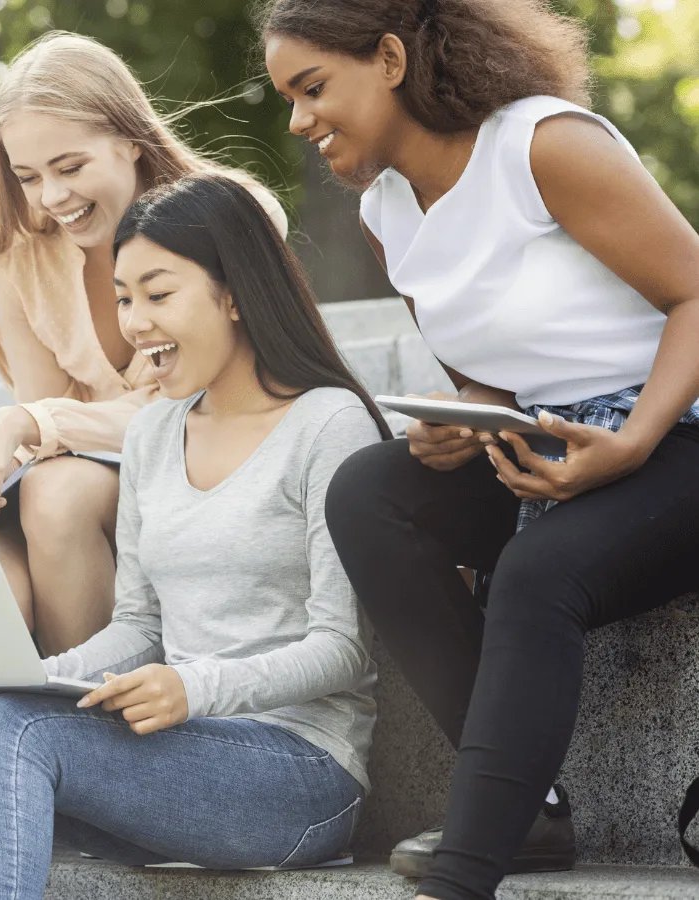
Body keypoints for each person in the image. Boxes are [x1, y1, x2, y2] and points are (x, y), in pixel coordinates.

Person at [261, 2, 699, 898]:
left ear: (389, 59)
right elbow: (489, 374)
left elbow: (696, 296)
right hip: (551, 446)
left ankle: (465, 875)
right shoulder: (388, 210)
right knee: (367, 491)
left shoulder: (542, 146)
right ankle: (529, 803)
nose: (299, 121)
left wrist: (632, 442)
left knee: (539, 574)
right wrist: (462, 419)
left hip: (676, 434)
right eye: (289, 98)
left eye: (312, 89)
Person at [0, 174, 390, 899]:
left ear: (235, 292)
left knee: (13, 733)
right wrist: (44, 677)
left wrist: (193, 687)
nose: (136, 322)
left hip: (300, 771)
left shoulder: (327, 424)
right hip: (179, 755)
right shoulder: (152, 433)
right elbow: (140, 625)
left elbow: (342, 648)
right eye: (124, 298)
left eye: (158, 293)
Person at [0, 32, 291, 656]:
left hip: (221, 462)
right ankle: (48, 707)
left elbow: (199, 408)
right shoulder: (14, 270)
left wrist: (24, 422)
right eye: (29, 177)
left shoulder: (232, 216)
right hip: (103, 486)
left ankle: (82, 717)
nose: (52, 198)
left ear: (129, 137)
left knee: (57, 494)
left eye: (70, 168)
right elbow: (48, 440)